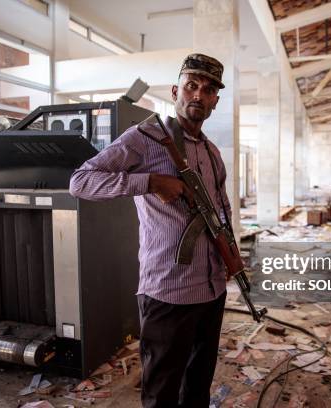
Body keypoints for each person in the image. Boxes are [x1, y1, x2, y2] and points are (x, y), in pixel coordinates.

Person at [69, 53, 230, 408]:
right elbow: (81, 181)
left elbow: (222, 210)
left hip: (212, 289)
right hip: (169, 291)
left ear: (215, 102)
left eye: (208, 90)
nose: (198, 96)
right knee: (161, 391)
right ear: (176, 91)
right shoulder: (145, 138)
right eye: (191, 86)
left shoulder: (213, 153)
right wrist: (150, 181)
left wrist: (230, 257)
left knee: (198, 384)